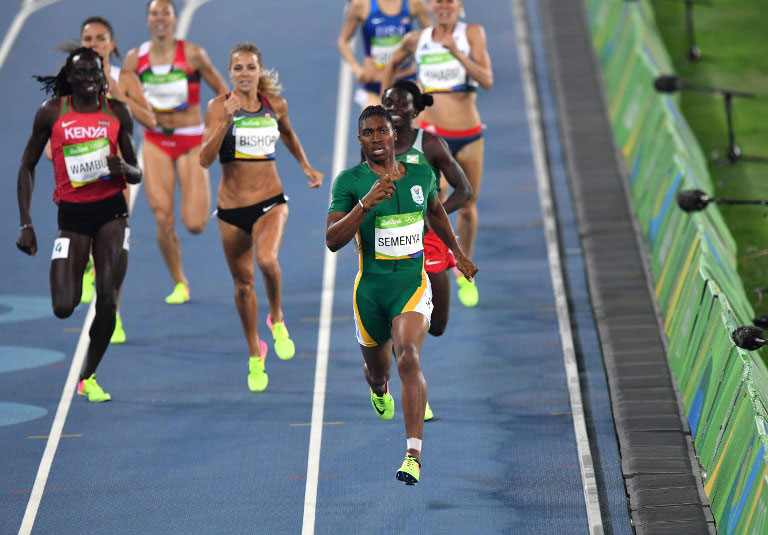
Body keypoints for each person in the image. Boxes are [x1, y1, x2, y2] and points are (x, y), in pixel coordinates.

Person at [326, 106, 477, 484]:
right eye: (368, 133)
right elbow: (332, 241)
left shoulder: (423, 173)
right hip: (371, 294)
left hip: (411, 286)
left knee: (408, 357)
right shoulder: (349, 182)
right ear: (359, 140)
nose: (376, 139)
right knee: (380, 372)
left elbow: (437, 212)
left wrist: (458, 255)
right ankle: (379, 390)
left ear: (395, 135)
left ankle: (412, 455)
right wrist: (366, 203)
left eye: (382, 131)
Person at [16, 47, 142, 402]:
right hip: (71, 217)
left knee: (106, 296)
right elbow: (26, 166)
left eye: (95, 73)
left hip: (112, 213)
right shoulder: (52, 113)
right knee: (63, 306)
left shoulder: (117, 112)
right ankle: (81, 272)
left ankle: (87, 374)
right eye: (82, 74)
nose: (90, 80)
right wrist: (26, 223)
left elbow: (136, 171)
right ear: (69, 79)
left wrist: (124, 169)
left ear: (103, 76)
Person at [200, 43, 323, 392]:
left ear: (259, 71)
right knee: (243, 285)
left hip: (270, 201)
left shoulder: (274, 106)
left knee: (267, 260)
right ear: (230, 73)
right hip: (231, 210)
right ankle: (256, 353)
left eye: (250, 67)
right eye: (237, 68)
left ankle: (278, 318)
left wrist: (305, 165)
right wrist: (224, 120)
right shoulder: (217, 107)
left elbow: (287, 132)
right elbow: (204, 160)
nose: (243, 73)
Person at [382, 0, 492, 307]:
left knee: (467, 206)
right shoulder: (418, 39)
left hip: (467, 134)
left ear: (457, 5)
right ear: (431, 5)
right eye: (438, 0)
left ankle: (462, 268)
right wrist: (384, 106)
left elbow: (487, 80)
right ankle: (432, 262)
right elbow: (391, 63)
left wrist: (454, 52)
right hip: (432, 136)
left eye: (449, 1)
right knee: (435, 196)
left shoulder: (471, 34)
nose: (443, 5)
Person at [122, 0, 228, 304]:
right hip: (155, 139)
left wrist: (212, 129)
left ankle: (207, 192)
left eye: (165, 13)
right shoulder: (135, 60)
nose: (159, 19)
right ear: (148, 20)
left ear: (173, 18)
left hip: (189, 139)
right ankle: (179, 281)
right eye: (154, 13)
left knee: (194, 223)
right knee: (162, 217)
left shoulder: (193, 54)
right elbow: (123, 95)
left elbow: (222, 93)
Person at [382, 79, 471, 421]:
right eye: (388, 102)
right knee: (401, 317)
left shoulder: (430, 145)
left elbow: (464, 189)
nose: (394, 109)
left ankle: (407, 361)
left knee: (437, 325)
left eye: (402, 104)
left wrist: (436, 216)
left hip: (431, 240)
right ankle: (411, 380)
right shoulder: (375, 146)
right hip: (393, 244)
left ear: (416, 110)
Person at [76, 16, 156, 344]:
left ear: (111, 44)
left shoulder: (123, 77)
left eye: (99, 38)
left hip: (114, 173)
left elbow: (150, 119)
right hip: (78, 175)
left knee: (116, 251)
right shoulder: (71, 81)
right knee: (90, 243)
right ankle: (83, 265)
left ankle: (113, 313)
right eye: (88, 39)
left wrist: (122, 98)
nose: (93, 44)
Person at [337, 0, 429, 108]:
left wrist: (414, 42)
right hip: (375, 85)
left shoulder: (413, 3)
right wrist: (356, 68)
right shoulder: (361, 5)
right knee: (373, 123)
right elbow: (343, 41)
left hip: (406, 81)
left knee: (410, 123)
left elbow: (432, 35)